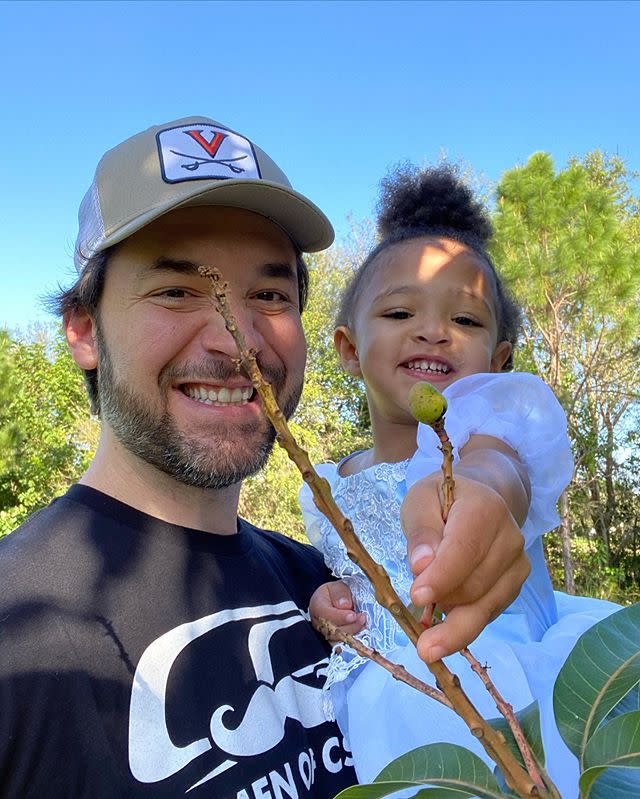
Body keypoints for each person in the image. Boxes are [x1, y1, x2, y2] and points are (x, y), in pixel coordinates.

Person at [0, 119, 527, 798]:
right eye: (176, 290)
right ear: (82, 330)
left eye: (271, 296)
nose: (235, 340)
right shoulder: (17, 638)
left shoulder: (328, 581)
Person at [300, 164, 620, 797]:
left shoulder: (484, 436)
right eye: (398, 311)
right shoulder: (326, 485)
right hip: (389, 701)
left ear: (499, 360)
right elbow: (347, 575)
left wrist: (482, 486)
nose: (435, 331)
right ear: (347, 347)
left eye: (468, 322)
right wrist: (330, 606)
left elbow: (499, 469)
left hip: (508, 685)